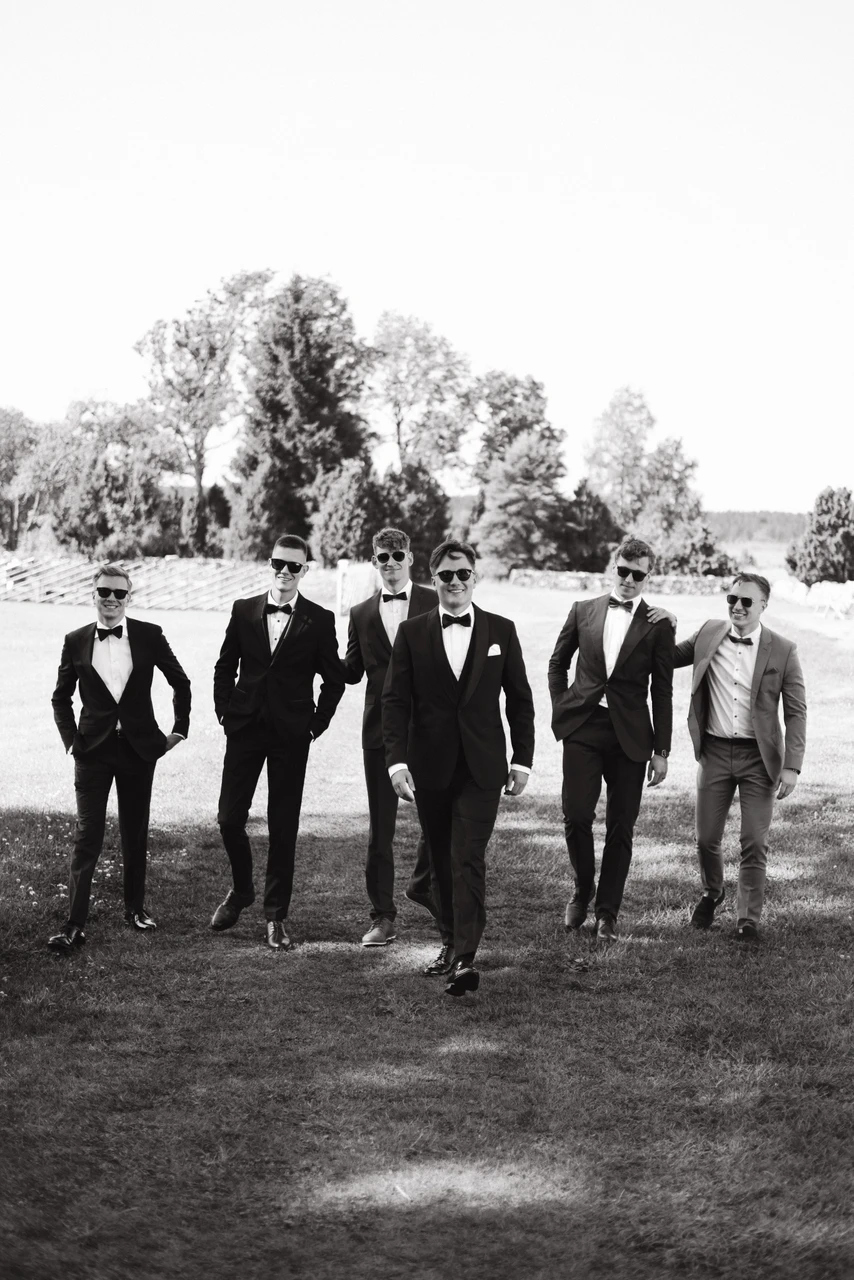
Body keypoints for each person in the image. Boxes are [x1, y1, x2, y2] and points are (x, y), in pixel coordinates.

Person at [382, 540, 535, 996]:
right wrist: (397, 763)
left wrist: (522, 760)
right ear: (433, 579)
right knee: (442, 858)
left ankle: (465, 958)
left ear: (475, 577)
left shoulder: (502, 630)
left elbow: (520, 700)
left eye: (463, 573)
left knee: (467, 856)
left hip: (482, 767)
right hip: (429, 767)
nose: (455, 582)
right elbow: (395, 701)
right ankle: (450, 941)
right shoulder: (412, 633)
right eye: (446, 575)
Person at [211, 534, 345, 950]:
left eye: (293, 566)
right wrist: (224, 712)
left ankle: (275, 917)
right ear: (269, 564)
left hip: (291, 734)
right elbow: (224, 666)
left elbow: (334, 680)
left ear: (305, 570)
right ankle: (242, 890)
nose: (284, 572)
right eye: (278, 564)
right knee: (228, 819)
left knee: (283, 825)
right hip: (244, 728)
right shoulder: (243, 609)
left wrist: (315, 726)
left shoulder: (319, 620)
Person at [49, 565, 191, 950]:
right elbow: (61, 698)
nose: (111, 598)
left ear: (130, 597)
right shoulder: (75, 640)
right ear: (93, 594)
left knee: (135, 831)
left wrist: (179, 730)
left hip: (138, 750)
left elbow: (180, 681)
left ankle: (135, 909)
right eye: (104, 591)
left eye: (119, 593)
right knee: (87, 836)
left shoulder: (150, 635)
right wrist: (71, 742)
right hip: (92, 752)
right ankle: (74, 924)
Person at [548, 537, 674, 942]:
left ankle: (607, 914)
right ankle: (583, 889)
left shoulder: (659, 625)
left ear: (648, 577)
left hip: (631, 737)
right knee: (576, 815)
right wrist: (562, 704)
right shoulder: (582, 610)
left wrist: (661, 750)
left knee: (621, 827)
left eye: (638, 574)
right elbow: (557, 662)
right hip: (583, 728)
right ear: (613, 567)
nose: (629, 579)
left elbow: (663, 691)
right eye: (623, 570)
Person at [672, 573, 806, 941]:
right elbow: (665, 657)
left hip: (759, 758)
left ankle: (748, 920)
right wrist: (661, 622)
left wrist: (792, 766)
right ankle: (712, 892)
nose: (738, 606)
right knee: (706, 838)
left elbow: (796, 712)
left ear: (764, 605)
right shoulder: (708, 633)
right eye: (733, 599)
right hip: (714, 752)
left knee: (753, 841)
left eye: (747, 601)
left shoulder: (784, 650)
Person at [343, 527, 437, 946]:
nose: (391, 563)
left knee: (438, 820)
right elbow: (351, 671)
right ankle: (382, 916)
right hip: (380, 731)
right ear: (374, 561)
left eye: (398, 555)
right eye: (383, 556)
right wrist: (312, 650)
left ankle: (424, 885)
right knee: (380, 830)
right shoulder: (361, 613)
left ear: (410, 558)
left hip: (430, 730)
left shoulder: (435, 601)